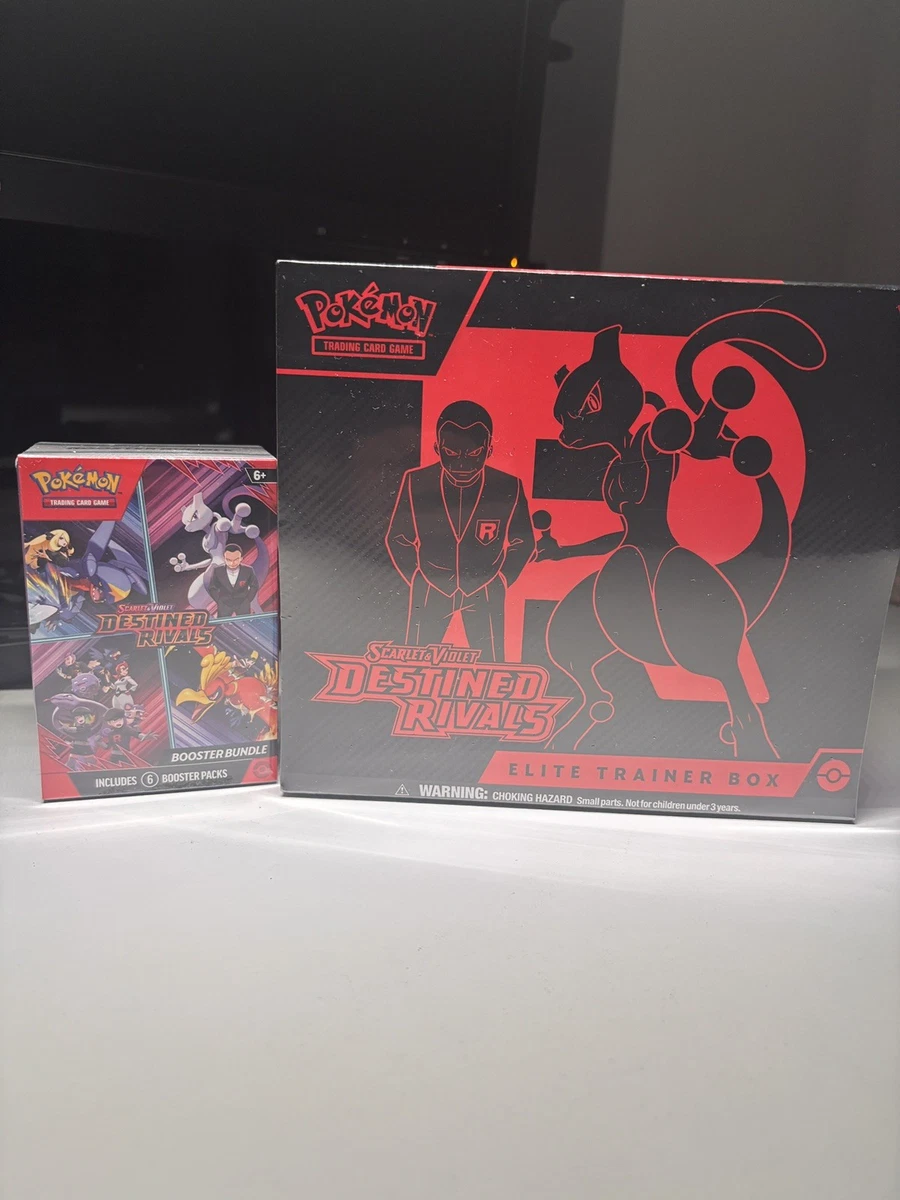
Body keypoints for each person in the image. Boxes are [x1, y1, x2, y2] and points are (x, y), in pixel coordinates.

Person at [385, 400, 535, 661]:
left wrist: (501, 580)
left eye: (474, 452)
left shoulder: (509, 486)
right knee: (416, 666)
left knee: (491, 668)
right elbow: (398, 537)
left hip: (485, 587)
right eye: (451, 453)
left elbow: (524, 541)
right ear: (437, 448)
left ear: (489, 450)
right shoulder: (416, 481)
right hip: (431, 587)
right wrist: (419, 576)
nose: (462, 463)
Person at [206, 544, 259, 618]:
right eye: (229, 560)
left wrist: (247, 600)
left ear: (241, 558)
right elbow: (212, 588)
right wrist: (219, 601)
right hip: (224, 605)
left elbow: (254, 586)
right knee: (222, 624)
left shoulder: (248, 570)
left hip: (243, 605)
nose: (232, 563)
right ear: (224, 559)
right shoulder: (217, 571)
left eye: (236, 559)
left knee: (245, 623)